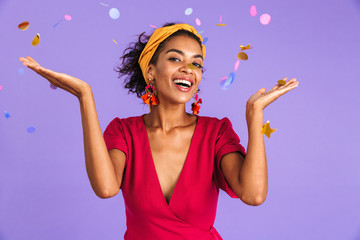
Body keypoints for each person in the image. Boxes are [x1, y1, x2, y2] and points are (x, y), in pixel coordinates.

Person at [19, 22, 299, 240]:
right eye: (176, 59)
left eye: (197, 63)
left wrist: (254, 115)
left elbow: (254, 195)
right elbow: (105, 188)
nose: (189, 69)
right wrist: (85, 95)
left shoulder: (216, 132)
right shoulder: (123, 132)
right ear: (150, 71)